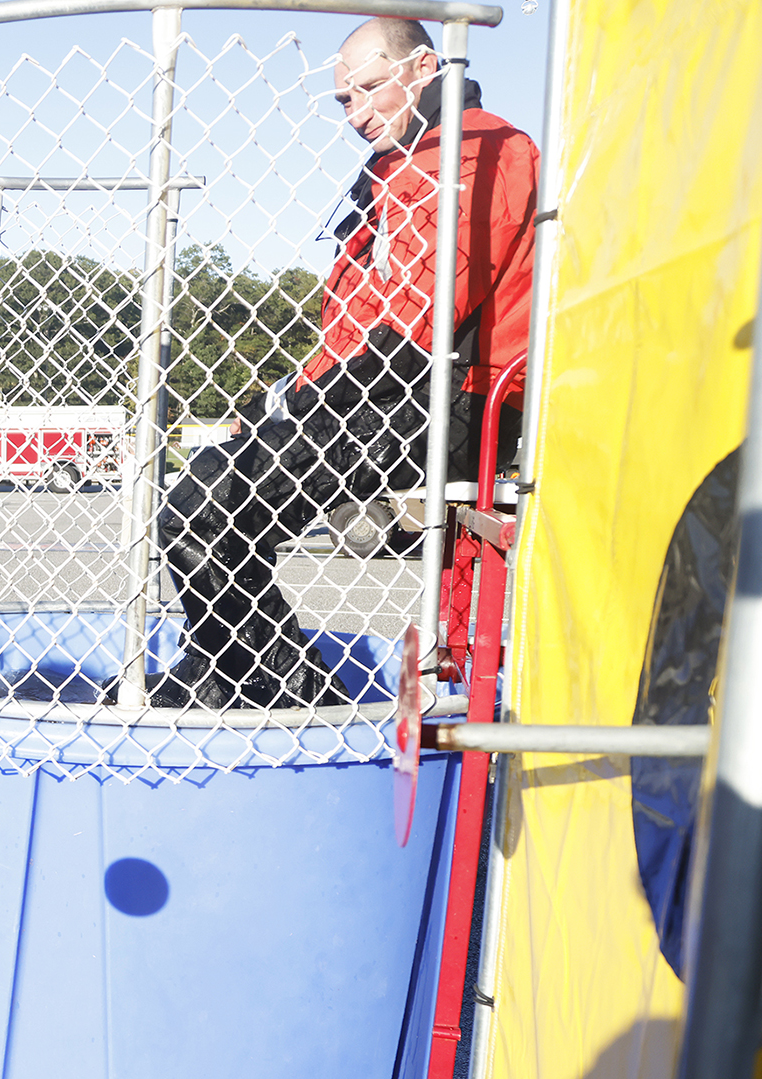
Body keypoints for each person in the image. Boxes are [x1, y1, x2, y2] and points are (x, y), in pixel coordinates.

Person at [147, 16, 537, 709]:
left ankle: (278, 684)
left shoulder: (483, 149)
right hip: (385, 389)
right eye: (343, 101)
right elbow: (353, 329)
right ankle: (243, 672)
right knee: (197, 500)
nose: (355, 114)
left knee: (207, 503)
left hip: (457, 397)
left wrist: (307, 405)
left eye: (368, 90)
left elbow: (418, 323)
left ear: (423, 69)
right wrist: (284, 401)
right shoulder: (393, 168)